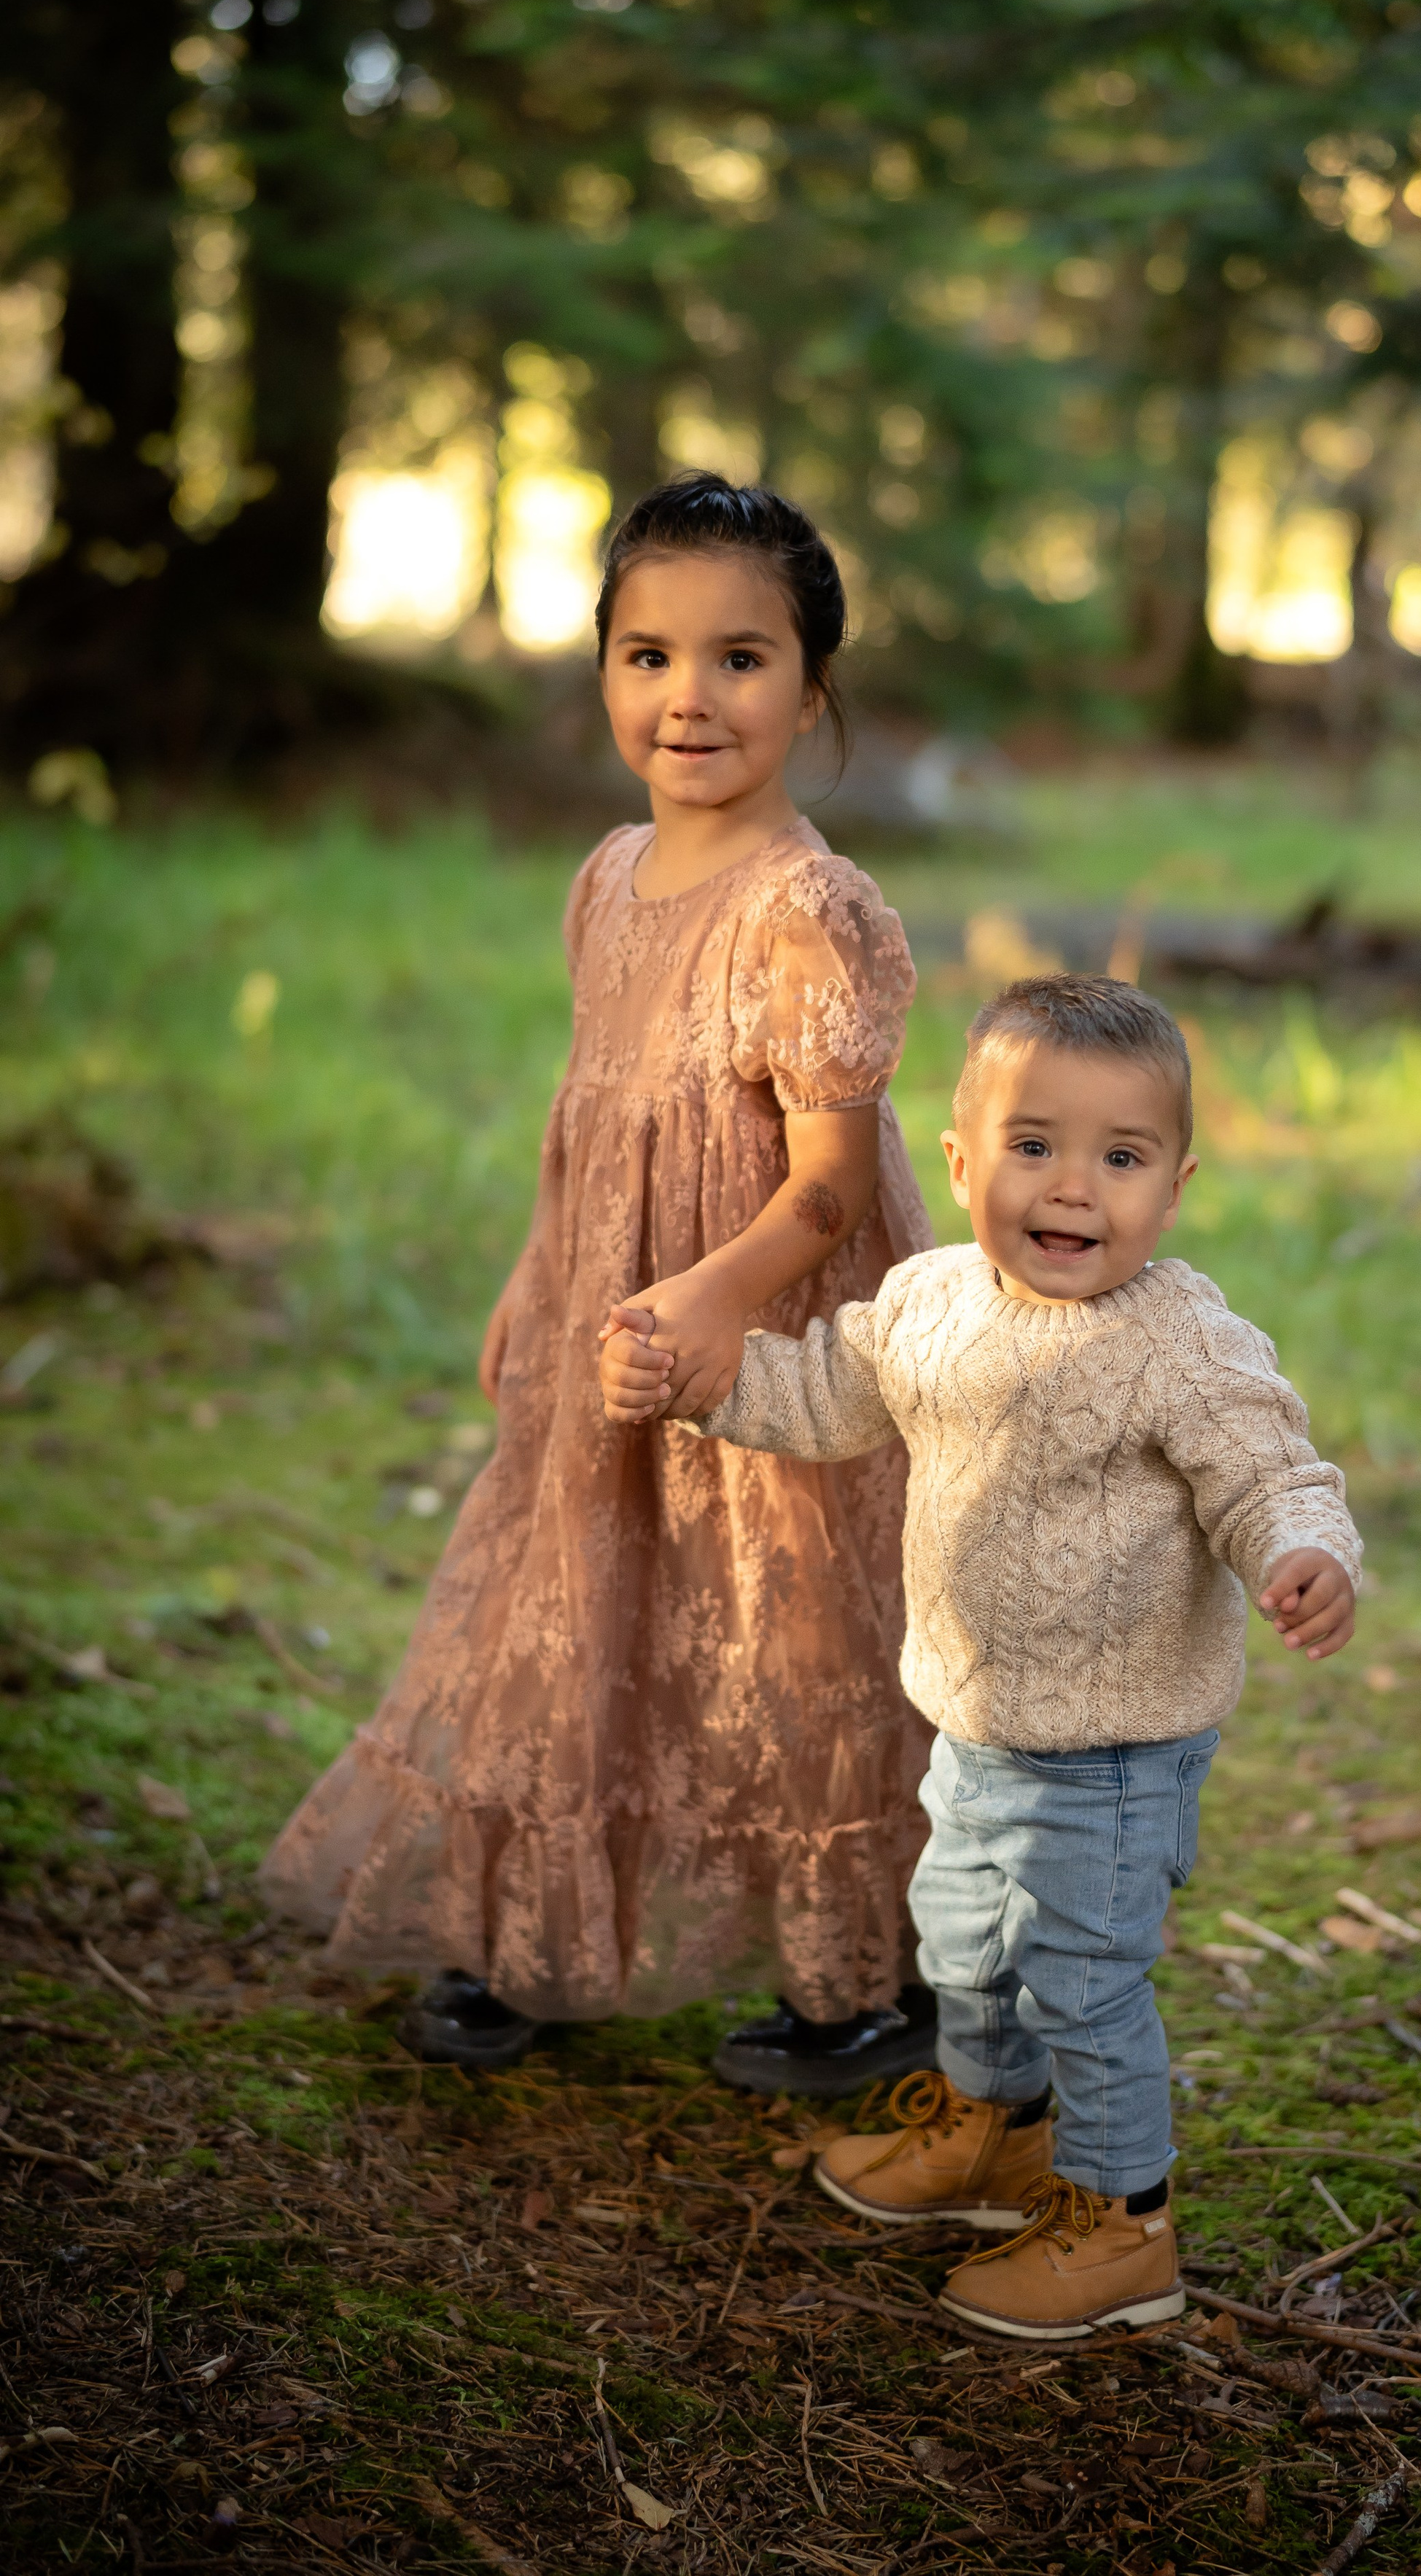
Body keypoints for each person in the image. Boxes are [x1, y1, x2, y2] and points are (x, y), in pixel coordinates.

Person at [261, 475, 938, 2094]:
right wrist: (534, 1270)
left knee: (787, 1633)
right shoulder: (606, 877)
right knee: (577, 1601)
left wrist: (714, 1303)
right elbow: (590, 1131)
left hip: (769, 1334)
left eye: (738, 658)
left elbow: (829, 1185)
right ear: (604, 672)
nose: (686, 697)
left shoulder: (812, 913)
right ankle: (538, 1940)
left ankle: (857, 1983)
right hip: (607, 1325)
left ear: (812, 685)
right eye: (646, 655)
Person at [602, 971, 1360, 2340]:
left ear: (1175, 1186)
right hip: (977, 1729)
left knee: (1083, 1979)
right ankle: (993, 2138)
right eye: (1033, 1146)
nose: (1074, 1189)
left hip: (1118, 1751)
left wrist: (1306, 1553)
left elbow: (1270, 1473)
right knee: (963, 1946)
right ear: (960, 1164)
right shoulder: (934, 1301)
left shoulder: (1181, 1341)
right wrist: (707, 1383)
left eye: (1120, 1158)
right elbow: (825, 1394)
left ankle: (1125, 2224)